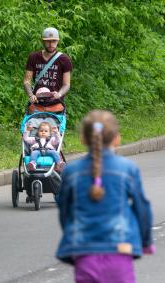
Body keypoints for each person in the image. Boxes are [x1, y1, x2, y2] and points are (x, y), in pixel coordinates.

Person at [56, 110, 154, 283]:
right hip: (120, 249)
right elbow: (142, 207)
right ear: (117, 138)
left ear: (83, 139)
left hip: (84, 251)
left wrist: (72, 236)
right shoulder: (127, 169)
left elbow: (65, 210)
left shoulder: (71, 172)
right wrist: (145, 241)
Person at [23, 27, 72, 113]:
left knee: (55, 127)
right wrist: (31, 95)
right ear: (43, 41)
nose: (51, 44)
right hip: (37, 103)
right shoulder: (33, 57)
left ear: (58, 41)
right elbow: (27, 81)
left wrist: (59, 94)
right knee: (31, 125)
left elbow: (66, 84)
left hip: (56, 104)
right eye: (48, 41)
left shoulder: (64, 59)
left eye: (54, 41)